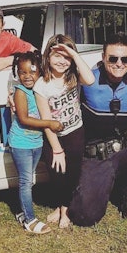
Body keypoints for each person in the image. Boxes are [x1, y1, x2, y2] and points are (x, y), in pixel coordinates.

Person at [68, 32, 127, 227]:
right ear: (103, 57)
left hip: (125, 150)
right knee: (85, 216)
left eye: (125, 59)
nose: (119, 63)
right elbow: (55, 84)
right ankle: (103, 185)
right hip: (95, 156)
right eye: (113, 58)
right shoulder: (87, 80)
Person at [34, 34, 95, 228]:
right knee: (57, 174)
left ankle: (65, 208)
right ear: (47, 57)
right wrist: (57, 149)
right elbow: (46, 120)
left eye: (66, 57)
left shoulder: (73, 77)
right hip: (55, 137)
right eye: (57, 56)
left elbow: (91, 79)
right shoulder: (41, 85)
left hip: (75, 131)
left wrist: (73, 54)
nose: (62, 61)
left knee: (73, 173)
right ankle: (61, 206)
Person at [8, 51, 63, 234]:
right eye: (23, 73)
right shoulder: (20, 92)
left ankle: (21, 211)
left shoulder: (41, 89)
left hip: (36, 142)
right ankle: (29, 220)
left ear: (40, 71)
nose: (28, 76)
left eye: (32, 72)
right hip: (21, 143)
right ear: (18, 73)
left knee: (29, 179)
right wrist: (49, 124)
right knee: (25, 181)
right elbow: (23, 119)